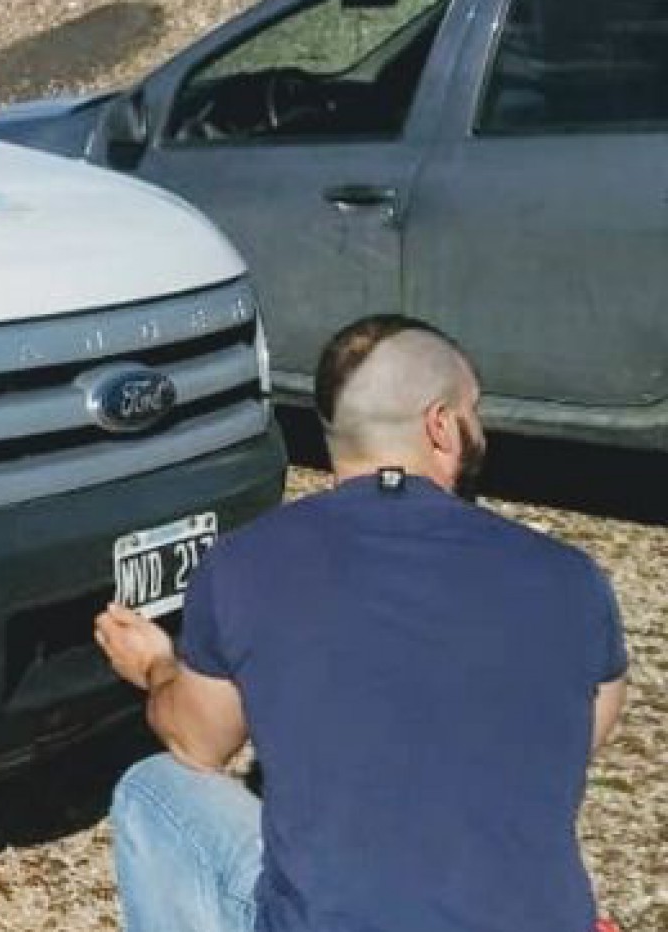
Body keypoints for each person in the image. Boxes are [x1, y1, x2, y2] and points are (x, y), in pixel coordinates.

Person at [93, 314, 629, 932]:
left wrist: (158, 666)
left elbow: (200, 744)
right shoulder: (570, 578)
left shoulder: (248, 564)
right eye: (472, 410)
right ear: (442, 426)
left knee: (154, 788)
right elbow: (569, 741)